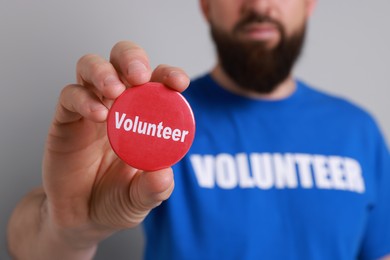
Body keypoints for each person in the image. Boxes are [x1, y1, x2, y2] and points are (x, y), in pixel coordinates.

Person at [7, 0, 390, 259]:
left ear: (308, 5)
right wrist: (69, 227)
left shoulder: (357, 130)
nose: (258, 5)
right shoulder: (153, 124)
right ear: (207, 6)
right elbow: (28, 246)